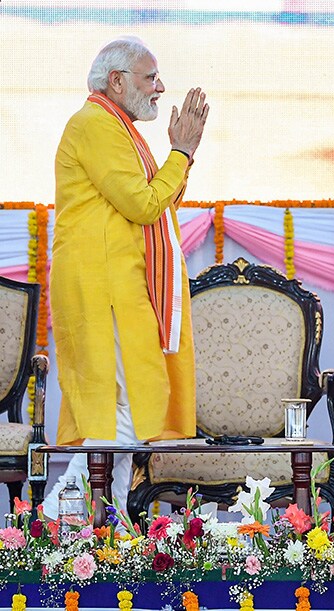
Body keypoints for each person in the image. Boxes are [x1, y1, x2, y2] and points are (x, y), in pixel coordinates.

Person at [42, 36, 209, 519]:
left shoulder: (117, 127)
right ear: (116, 81)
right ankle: (60, 514)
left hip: (119, 283)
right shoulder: (95, 124)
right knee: (125, 410)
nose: (160, 87)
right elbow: (143, 204)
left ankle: (100, 523)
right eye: (150, 77)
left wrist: (182, 157)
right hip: (103, 286)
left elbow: (156, 204)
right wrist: (180, 151)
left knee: (125, 408)